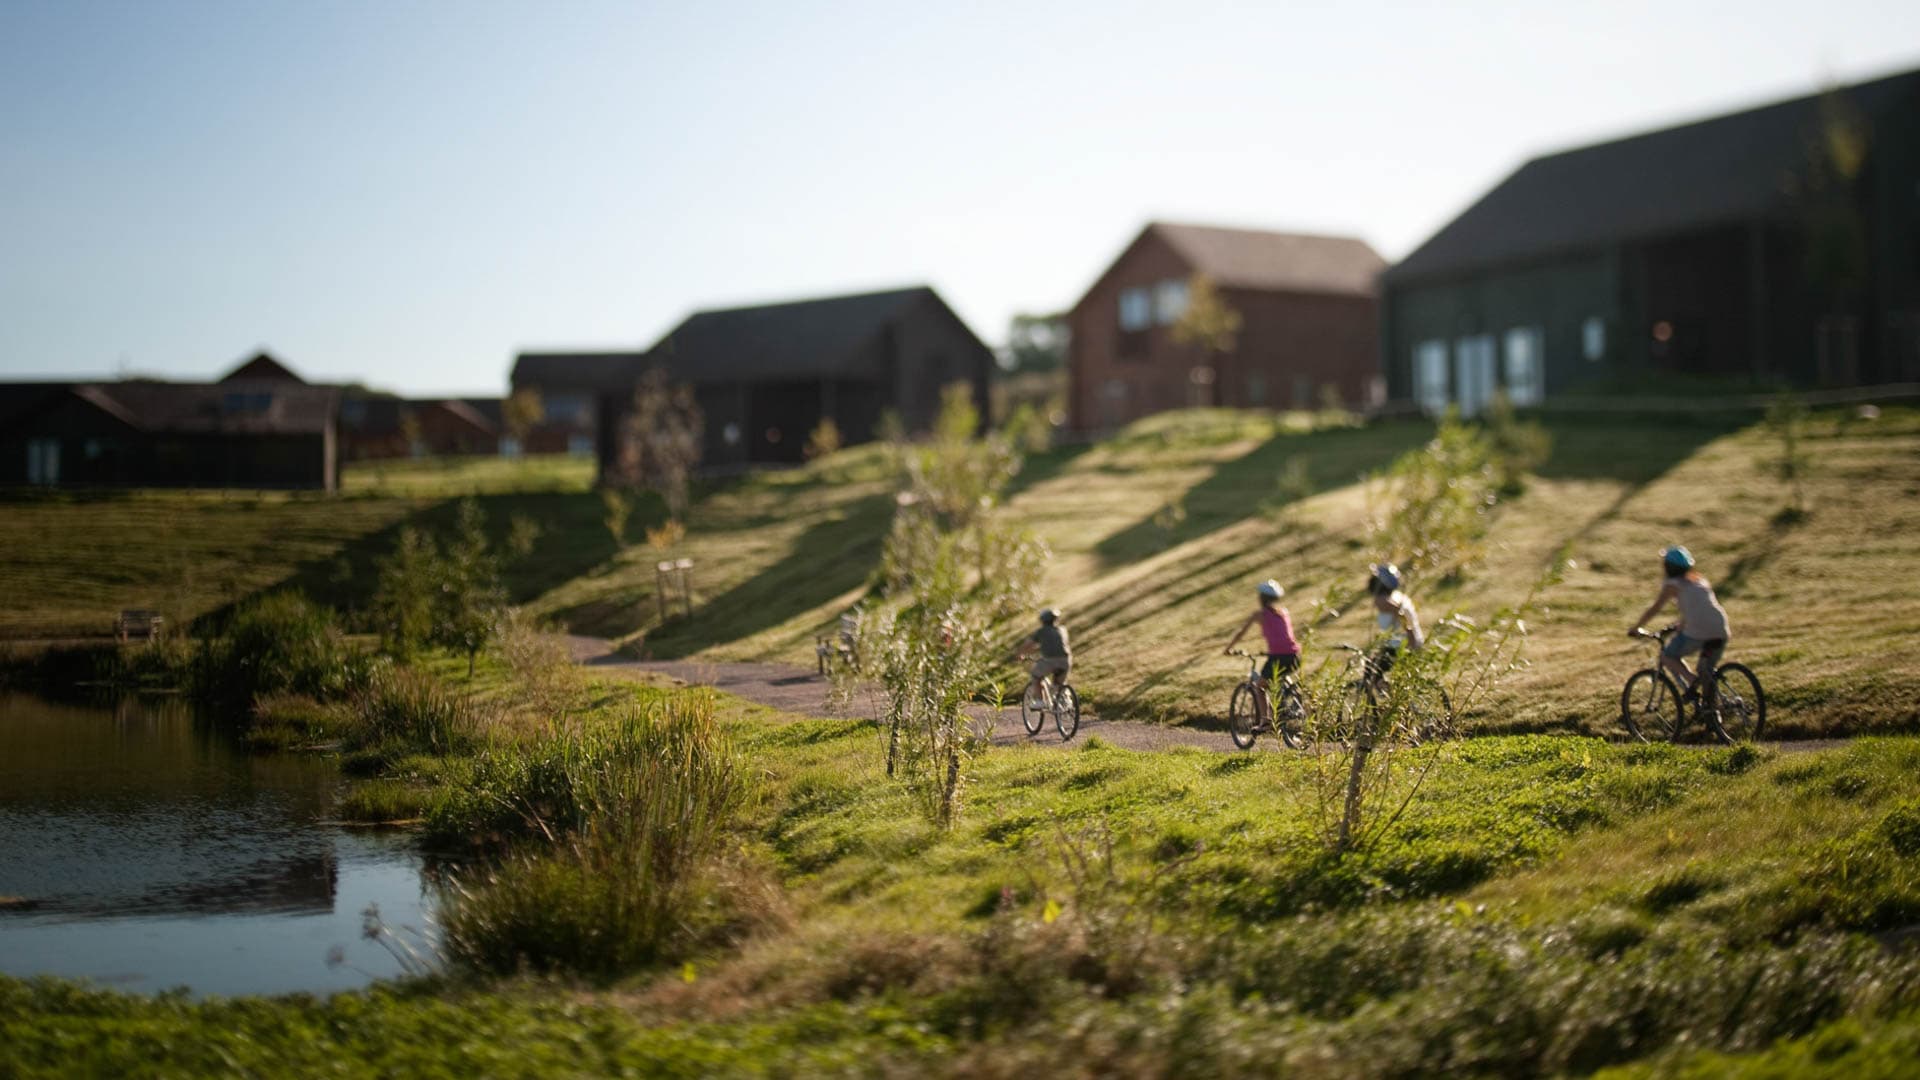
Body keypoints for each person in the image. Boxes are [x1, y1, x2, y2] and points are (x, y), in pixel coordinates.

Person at [1630, 544, 1730, 699]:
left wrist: (1636, 627)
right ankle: (1715, 710)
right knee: (1706, 671)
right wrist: (1680, 625)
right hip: (1720, 627)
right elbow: (1698, 608)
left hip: (1698, 631)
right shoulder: (1699, 580)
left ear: (1668, 567)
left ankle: (1691, 680)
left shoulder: (1673, 585)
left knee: (1667, 656)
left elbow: (1655, 608)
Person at [1222, 580, 1301, 710]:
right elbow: (1284, 636)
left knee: (1260, 687)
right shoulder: (1284, 612)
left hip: (1278, 657)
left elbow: (1240, 634)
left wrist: (1228, 649)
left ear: (1261, 598)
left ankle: (1266, 722)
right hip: (1295, 655)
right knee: (1279, 680)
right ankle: (1286, 704)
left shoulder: (1260, 614)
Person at [1365, 562, 1424, 675]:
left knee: (1371, 673)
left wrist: (1411, 641)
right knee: (1372, 667)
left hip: (1401, 646)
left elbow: (1403, 618)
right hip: (1404, 643)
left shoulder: (1383, 601)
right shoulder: (1398, 596)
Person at [1015, 607, 1071, 706]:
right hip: (1066, 661)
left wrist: (1020, 653)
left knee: (1035, 676)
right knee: (1059, 684)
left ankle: (1040, 701)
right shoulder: (1062, 629)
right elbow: (1056, 644)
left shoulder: (1041, 632)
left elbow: (1028, 644)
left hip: (1050, 661)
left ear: (1043, 620)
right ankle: (1065, 700)